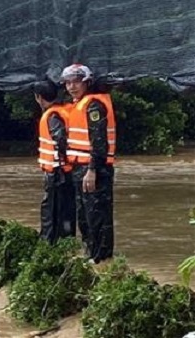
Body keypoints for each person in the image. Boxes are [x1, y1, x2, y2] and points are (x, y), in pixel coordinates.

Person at [62, 63, 117, 264]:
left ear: (87, 82)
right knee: (84, 216)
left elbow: (99, 140)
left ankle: (101, 258)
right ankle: (91, 255)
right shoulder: (79, 104)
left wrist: (93, 169)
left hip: (94, 169)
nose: (71, 86)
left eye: (76, 82)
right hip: (79, 168)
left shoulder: (94, 105)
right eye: (68, 83)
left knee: (98, 215)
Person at [33, 80, 75, 244]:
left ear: (39, 97)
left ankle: (49, 243)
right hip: (64, 170)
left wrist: (63, 163)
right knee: (65, 210)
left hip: (58, 172)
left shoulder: (52, 116)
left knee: (52, 210)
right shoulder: (64, 111)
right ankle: (65, 244)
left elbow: (61, 139)